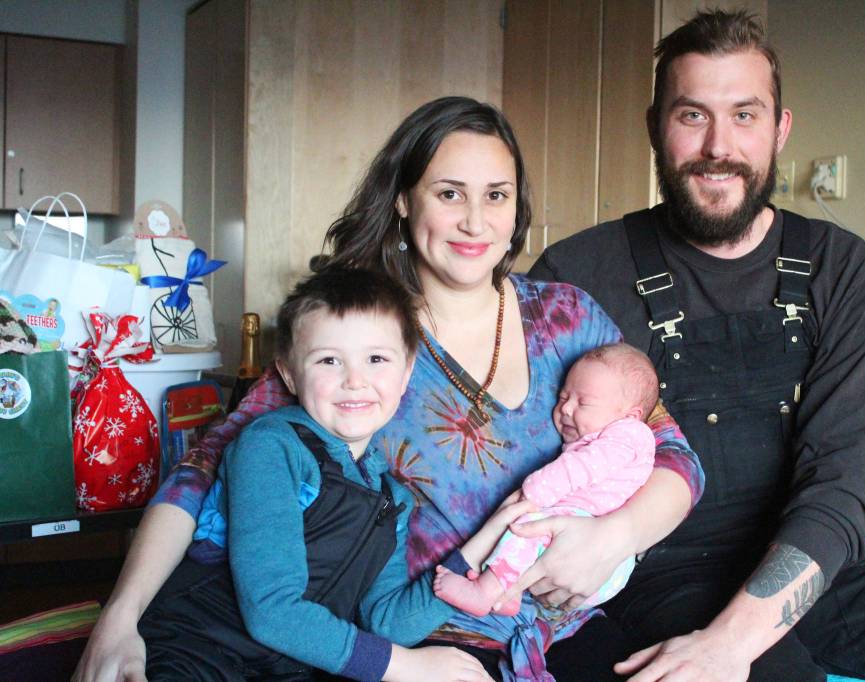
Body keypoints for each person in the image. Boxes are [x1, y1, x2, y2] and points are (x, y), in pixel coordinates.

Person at [73, 97, 704, 682]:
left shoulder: (570, 317)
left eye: (496, 195)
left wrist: (614, 538)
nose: (476, 220)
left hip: (562, 628)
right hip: (423, 640)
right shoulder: (357, 337)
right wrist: (120, 618)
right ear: (404, 200)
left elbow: (676, 456)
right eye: (449, 193)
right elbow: (203, 470)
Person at [528, 8, 865, 681]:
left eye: (745, 114)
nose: (718, 146)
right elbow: (518, 455)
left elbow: (843, 486)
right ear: (655, 126)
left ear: (780, 129)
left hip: (814, 560)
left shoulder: (844, 272)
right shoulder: (576, 274)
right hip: (655, 572)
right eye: (691, 115)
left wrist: (732, 641)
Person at [136, 267, 489, 681]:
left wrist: (476, 562)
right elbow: (272, 611)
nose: (355, 381)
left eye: (376, 359)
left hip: (289, 669)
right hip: (198, 649)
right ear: (289, 372)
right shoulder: (271, 447)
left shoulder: (393, 498)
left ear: (407, 371)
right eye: (329, 360)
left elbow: (387, 623)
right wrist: (407, 666)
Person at [434, 343, 659, 618]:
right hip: (584, 548)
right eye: (563, 398)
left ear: (630, 415)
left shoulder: (630, 436)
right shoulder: (611, 435)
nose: (566, 409)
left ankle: (485, 592)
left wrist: (540, 489)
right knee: (534, 529)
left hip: (599, 554)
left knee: (529, 528)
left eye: (583, 403)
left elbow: (581, 468)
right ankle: (507, 593)